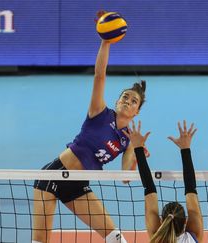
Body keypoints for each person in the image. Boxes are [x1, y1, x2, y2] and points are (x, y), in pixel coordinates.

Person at [31, 12, 145, 243]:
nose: (127, 101)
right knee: (40, 241)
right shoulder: (99, 114)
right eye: (125, 97)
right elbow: (99, 75)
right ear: (116, 101)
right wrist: (105, 42)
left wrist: (136, 149)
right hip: (53, 175)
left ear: (137, 112)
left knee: (116, 238)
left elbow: (125, 178)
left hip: (78, 184)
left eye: (133, 101)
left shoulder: (127, 140)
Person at [122, 120, 203, 243]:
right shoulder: (193, 237)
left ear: (161, 220)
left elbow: (149, 190)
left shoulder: (157, 238)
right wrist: (185, 148)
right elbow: (191, 190)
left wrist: (137, 147)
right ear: (186, 220)